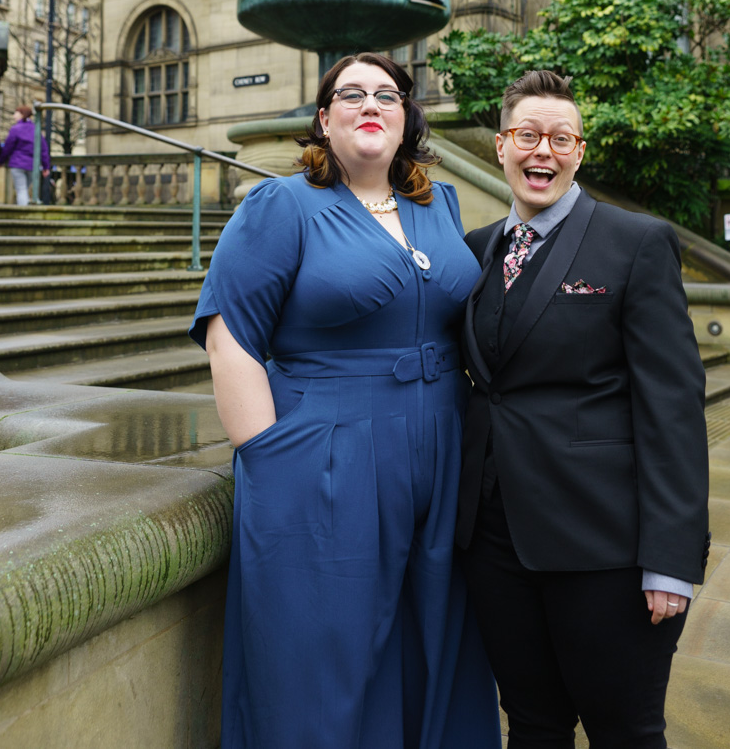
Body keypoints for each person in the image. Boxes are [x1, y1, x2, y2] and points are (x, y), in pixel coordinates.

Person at [189, 53, 500, 749]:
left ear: (405, 118)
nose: (371, 104)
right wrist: (268, 458)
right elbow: (229, 338)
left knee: (436, 638)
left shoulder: (439, 204)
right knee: (323, 651)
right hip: (326, 454)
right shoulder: (281, 205)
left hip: (442, 450)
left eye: (387, 95)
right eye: (351, 94)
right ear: (325, 121)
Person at [457, 69, 709, 749]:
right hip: (493, 541)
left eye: (560, 138)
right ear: (501, 145)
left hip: (604, 545)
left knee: (624, 731)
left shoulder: (636, 242)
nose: (543, 150)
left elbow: (672, 406)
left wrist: (670, 558)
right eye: (527, 135)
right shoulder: (476, 249)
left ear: (579, 152)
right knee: (532, 725)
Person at [0, 104, 50, 206]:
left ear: (22, 114)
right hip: (32, 165)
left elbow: (8, 147)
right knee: (25, 188)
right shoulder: (36, 129)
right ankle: (26, 207)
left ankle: (23, 210)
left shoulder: (15, 129)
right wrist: (46, 166)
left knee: (21, 189)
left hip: (17, 164)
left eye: (16, 113)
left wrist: (0, 161)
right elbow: (43, 149)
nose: (14, 116)